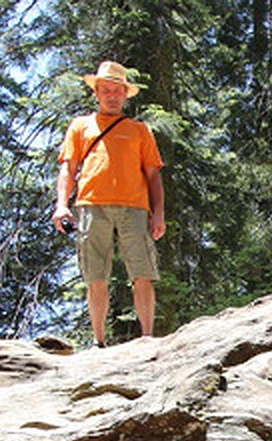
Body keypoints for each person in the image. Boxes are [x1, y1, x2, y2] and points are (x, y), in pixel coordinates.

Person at [53, 61, 165, 347]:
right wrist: (61, 205)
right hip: (91, 205)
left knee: (143, 273)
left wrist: (159, 214)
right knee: (95, 275)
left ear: (125, 94)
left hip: (135, 207)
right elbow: (68, 167)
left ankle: (148, 339)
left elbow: (153, 175)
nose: (112, 95)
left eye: (117, 90)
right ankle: (99, 342)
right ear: (97, 92)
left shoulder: (140, 131)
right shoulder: (80, 126)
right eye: (106, 90)